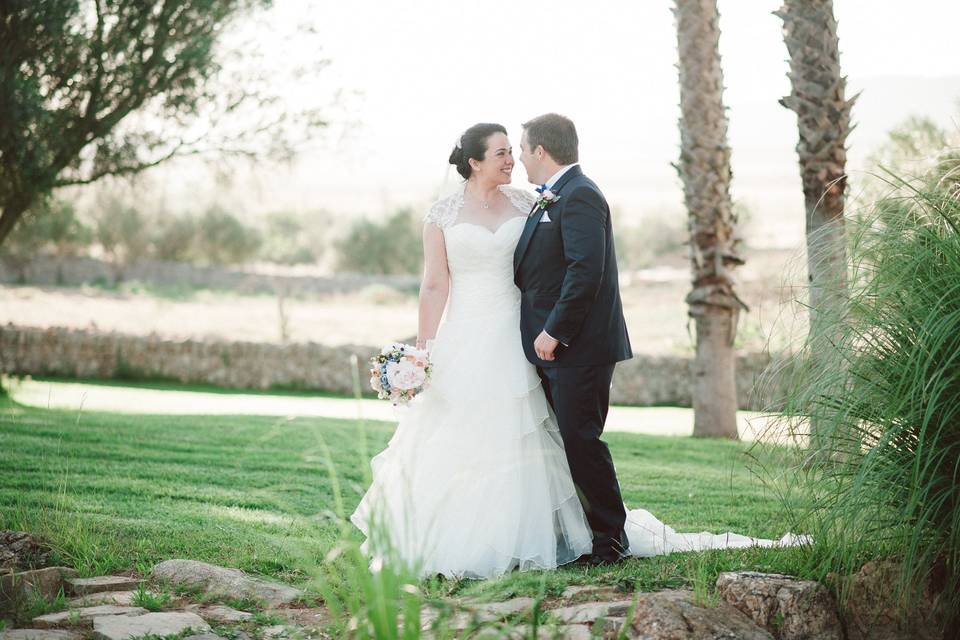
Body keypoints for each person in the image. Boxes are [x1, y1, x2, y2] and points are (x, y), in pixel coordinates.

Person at [350, 118, 805, 579]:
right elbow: (433, 285)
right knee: (466, 434)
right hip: (468, 335)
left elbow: (568, 266)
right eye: (502, 153)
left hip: (526, 335)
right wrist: (423, 350)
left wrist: (555, 328)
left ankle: (564, 534)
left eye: (516, 150)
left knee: (543, 434)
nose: (512, 159)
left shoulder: (531, 201)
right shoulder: (442, 215)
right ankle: (465, 537)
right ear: (474, 162)